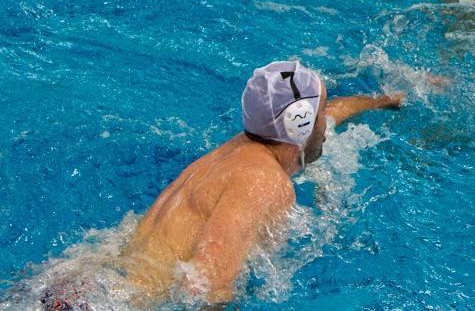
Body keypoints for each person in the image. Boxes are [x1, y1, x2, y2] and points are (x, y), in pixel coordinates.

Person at [106, 60, 403, 308]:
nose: (326, 120)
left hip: (92, 288)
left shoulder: (240, 150)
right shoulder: (266, 182)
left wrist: (380, 101)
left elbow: (330, 114)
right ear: (299, 124)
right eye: (320, 113)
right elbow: (206, 286)